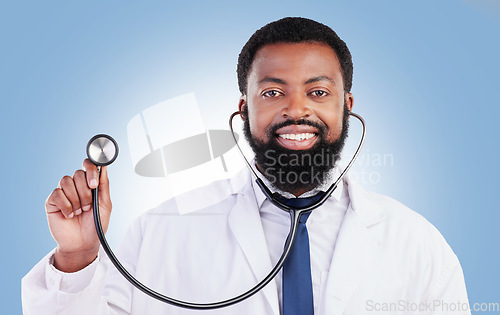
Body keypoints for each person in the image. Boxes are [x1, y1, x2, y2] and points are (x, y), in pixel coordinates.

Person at [22, 17, 470, 314]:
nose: (297, 110)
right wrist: (78, 257)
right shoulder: (160, 232)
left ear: (346, 107)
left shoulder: (418, 245)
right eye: (273, 92)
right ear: (245, 110)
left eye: (318, 92)